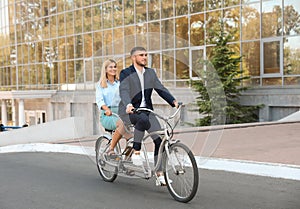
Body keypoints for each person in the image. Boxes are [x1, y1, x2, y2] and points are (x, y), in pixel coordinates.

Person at [118, 46, 178, 184]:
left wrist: (173, 101)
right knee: (143, 120)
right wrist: (128, 104)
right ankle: (136, 151)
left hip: (147, 110)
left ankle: (159, 173)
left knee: (160, 140)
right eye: (141, 55)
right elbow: (124, 91)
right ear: (133, 58)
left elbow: (160, 88)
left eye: (146, 55)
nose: (144, 57)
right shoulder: (125, 73)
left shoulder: (150, 73)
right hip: (129, 110)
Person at [96, 59, 131, 157]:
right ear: (106, 69)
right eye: (111, 67)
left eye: (115, 66)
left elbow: (125, 97)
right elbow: (99, 100)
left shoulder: (120, 83)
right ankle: (111, 149)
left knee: (133, 139)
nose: (113, 69)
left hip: (121, 112)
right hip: (108, 114)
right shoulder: (101, 85)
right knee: (122, 124)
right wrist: (106, 109)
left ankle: (126, 161)